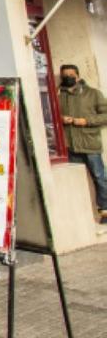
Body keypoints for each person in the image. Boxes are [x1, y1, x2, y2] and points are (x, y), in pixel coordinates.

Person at [57, 63, 107, 225]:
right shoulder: (58, 95)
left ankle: (105, 211)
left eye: (71, 75)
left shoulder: (93, 94)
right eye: (65, 75)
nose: (68, 78)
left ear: (77, 76)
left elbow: (105, 115)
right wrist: (62, 118)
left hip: (89, 142)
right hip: (69, 145)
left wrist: (86, 121)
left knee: (100, 177)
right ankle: (83, 214)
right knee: (78, 181)